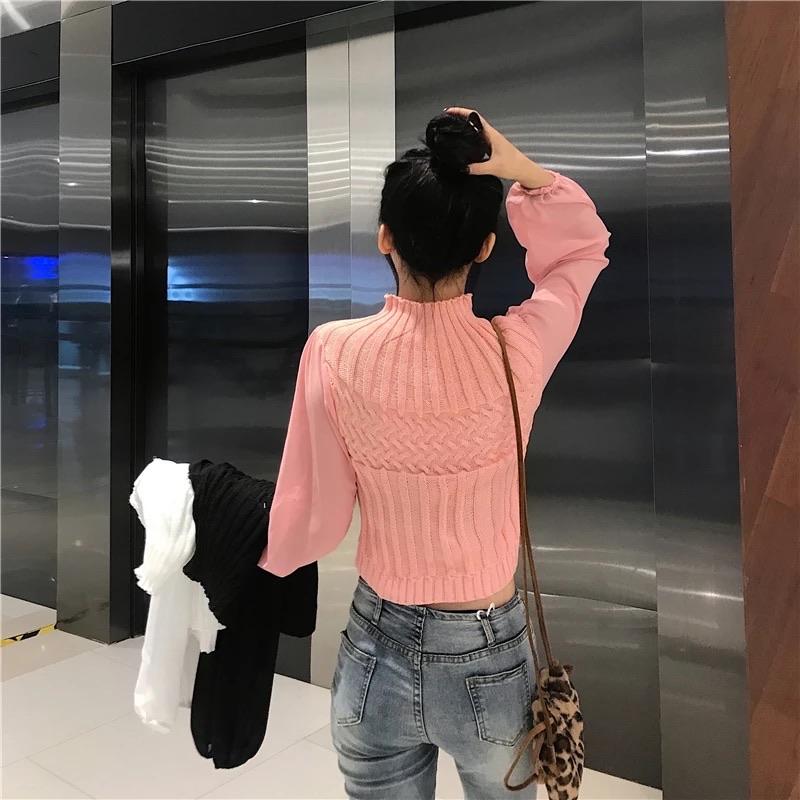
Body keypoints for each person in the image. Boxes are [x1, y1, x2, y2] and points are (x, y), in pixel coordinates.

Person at [259, 107, 611, 799]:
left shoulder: (333, 351)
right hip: (489, 651)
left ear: (384, 237)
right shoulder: (520, 349)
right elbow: (580, 252)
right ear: (485, 248)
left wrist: (269, 559)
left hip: (374, 641)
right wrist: (523, 172)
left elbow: (313, 513)